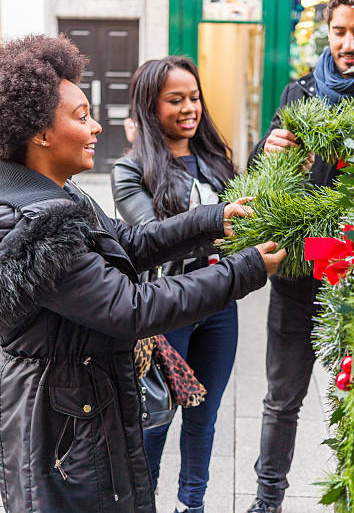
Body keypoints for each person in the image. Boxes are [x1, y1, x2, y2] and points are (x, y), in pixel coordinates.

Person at [0, 35, 287, 513]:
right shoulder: (35, 225)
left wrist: (213, 219)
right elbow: (132, 308)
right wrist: (246, 269)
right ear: (40, 134)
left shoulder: (60, 196)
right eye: (80, 116)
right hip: (61, 427)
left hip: (82, 406)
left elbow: (129, 243)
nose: (96, 127)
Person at [246, 0, 354, 513]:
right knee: (282, 399)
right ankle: (266, 500)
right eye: (339, 31)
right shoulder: (298, 93)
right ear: (326, 31)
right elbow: (260, 177)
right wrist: (270, 146)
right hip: (300, 273)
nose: (348, 43)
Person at [111, 56, 240, 513]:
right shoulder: (129, 171)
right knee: (156, 419)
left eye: (195, 97)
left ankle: (193, 504)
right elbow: (151, 237)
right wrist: (217, 221)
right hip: (167, 308)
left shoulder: (215, 161)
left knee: (204, 419)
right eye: (175, 100)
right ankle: (144, 504)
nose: (190, 108)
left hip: (222, 304)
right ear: (150, 105)